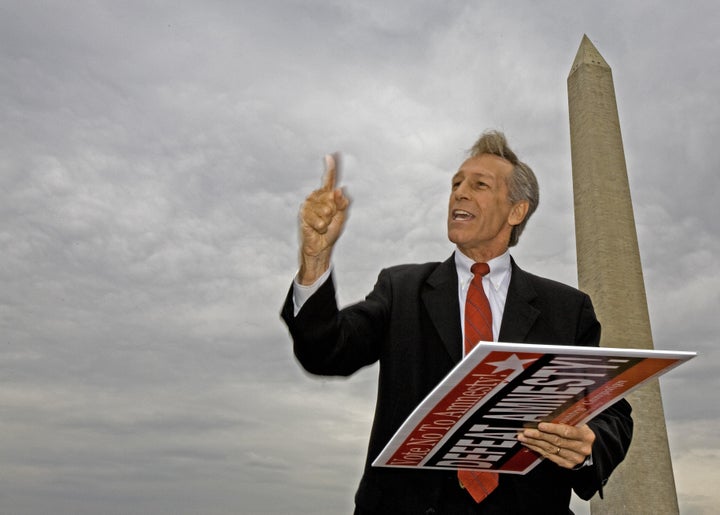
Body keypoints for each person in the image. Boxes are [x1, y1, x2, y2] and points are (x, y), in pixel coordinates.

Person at [281, 130, 633, 514]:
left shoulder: (567, 308)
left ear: (517, 210)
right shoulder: (401, 289)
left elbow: (611, 412)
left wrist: (587, 446)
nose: (459, 193)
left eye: (479, 185)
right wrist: (314, 259)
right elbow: (327, 351)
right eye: (456, 184)